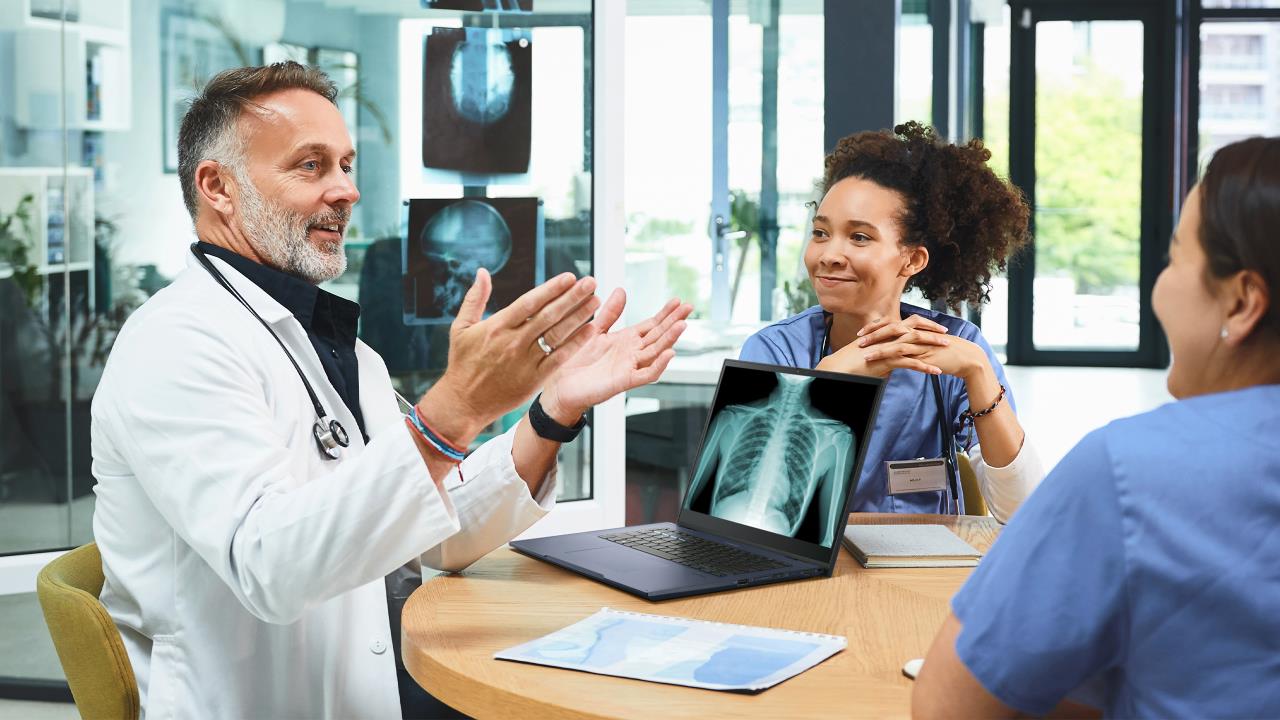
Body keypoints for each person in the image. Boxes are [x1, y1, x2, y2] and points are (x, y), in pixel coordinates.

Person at [90, 62, 691, 719]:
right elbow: (271, 567)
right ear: (218, 187)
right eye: (310, 166)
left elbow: (431, 533)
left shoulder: (339, 349)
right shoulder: (177, 342)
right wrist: (456, 410)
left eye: (347, 165)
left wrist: (553, 412)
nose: (345, 191)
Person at [913, 136, 1280, 719]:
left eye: (1176, 257)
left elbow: (950, 704)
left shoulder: (1133, 470)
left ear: (1241, 303)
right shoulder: (782, 346)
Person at [741, 122, 1040, 521]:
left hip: (921, 573)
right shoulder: (775, 351)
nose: (829, 254)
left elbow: (1021, 510)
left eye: (860, 237)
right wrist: (831, 377)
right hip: (802, 571)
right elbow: (749, 512)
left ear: (912, 259)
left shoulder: (956, 348)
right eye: (820, 232)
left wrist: (980, 373)